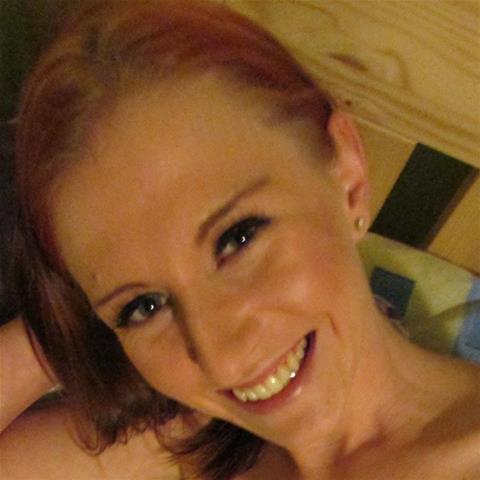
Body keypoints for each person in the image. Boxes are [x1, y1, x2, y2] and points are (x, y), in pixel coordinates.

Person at [1, 1, 479, 479]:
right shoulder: (199, 443)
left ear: (348, 179)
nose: (223, 359)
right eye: (143, 306)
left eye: (238, 238)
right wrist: (62, 331)